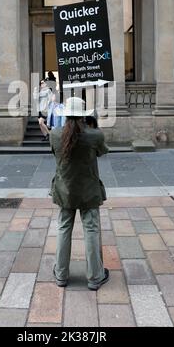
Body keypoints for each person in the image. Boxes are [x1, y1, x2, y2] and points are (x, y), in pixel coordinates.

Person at [50, 96, 110, 291]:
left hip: (65, 189)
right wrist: (95, 126)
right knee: (91, 229)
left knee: (64, 228)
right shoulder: (94, 135)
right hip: (88, 190)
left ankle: (61, 275)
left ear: (66, 115)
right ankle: (95, 277)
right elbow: (102, 152)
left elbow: (56, 153)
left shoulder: (56, 134)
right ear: (84, 116)